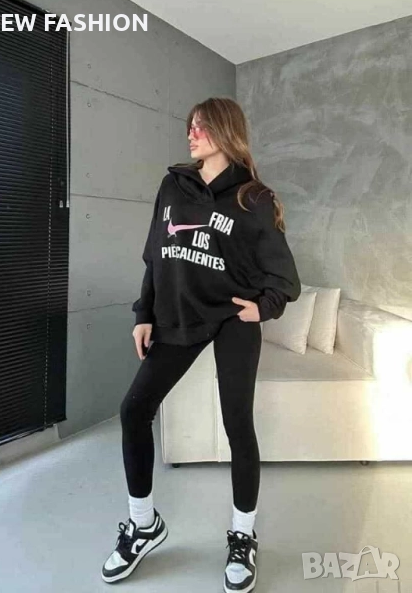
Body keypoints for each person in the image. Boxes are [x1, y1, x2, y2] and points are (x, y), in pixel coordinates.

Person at [101, 97, 301, 592]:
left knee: (238, 424)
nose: (191, 133)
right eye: (189, 126)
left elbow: (284, 275)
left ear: (225, 131)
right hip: (180, 314)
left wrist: (262, 307)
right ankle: (143, 524)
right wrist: (144, 313)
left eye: (201, 127)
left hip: (233, 317)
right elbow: (156, 254)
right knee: (134, 410)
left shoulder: (254, 197)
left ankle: (242, 534)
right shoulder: (173, 185)